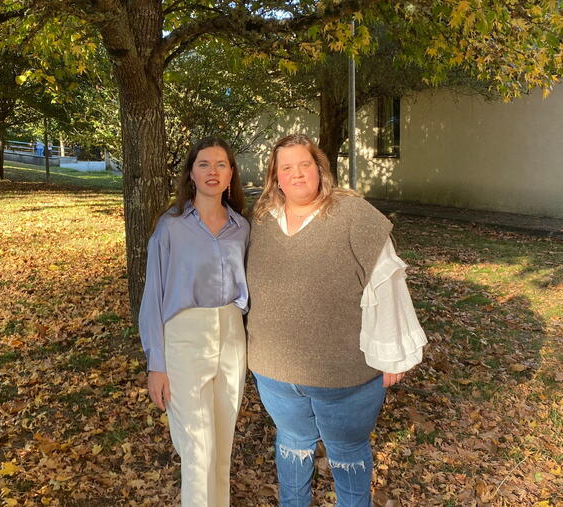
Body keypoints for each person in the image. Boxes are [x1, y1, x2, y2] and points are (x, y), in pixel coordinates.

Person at [246, 133, 427, 506]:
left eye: (304, 164)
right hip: (275, 373)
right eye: (287, 168)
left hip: (343, 374)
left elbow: (387, 283)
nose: (297, 174)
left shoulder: (353, 215)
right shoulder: (263, 219)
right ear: (275, 177)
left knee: (347, 454)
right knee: (293, 446)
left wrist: (392, 355)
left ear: (319, 169)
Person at [139, 137, 249, 506]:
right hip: (185, 339)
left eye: (221, 164)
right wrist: (157, 364)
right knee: (198, 448)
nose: (213, 171)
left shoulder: (242, 228)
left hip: (232, 337)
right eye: (204, 164)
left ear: (231, 173)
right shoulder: (170, 227)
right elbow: (152, 297)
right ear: (191, 173)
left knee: (221, 448)